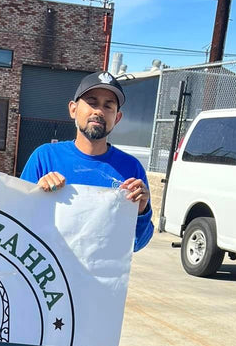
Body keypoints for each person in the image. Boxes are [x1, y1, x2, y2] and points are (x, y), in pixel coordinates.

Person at [20, 71, 154, 251]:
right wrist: (36, 194)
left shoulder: (131, 169)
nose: (99, 111)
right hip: (46, 274)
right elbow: (18, 222)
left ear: (117, 118)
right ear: (73, 109)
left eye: (108, 106)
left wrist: (141, 212)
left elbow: (136, 244)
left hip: (99, 277)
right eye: (92, 102)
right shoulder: (45, 157)